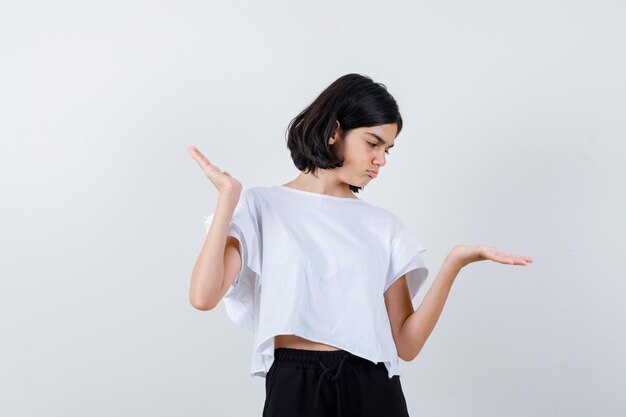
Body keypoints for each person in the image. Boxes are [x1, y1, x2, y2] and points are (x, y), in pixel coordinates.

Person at [187, 73, 533, 417]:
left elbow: (406, 345)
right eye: (373, 143)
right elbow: (203, 297)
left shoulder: (382, 226)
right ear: (334, 131)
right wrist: (227, 200)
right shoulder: (262, 207)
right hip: (295, 383)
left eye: (387, 149)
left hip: (371, 384)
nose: (381, 160)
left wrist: (454, 262)